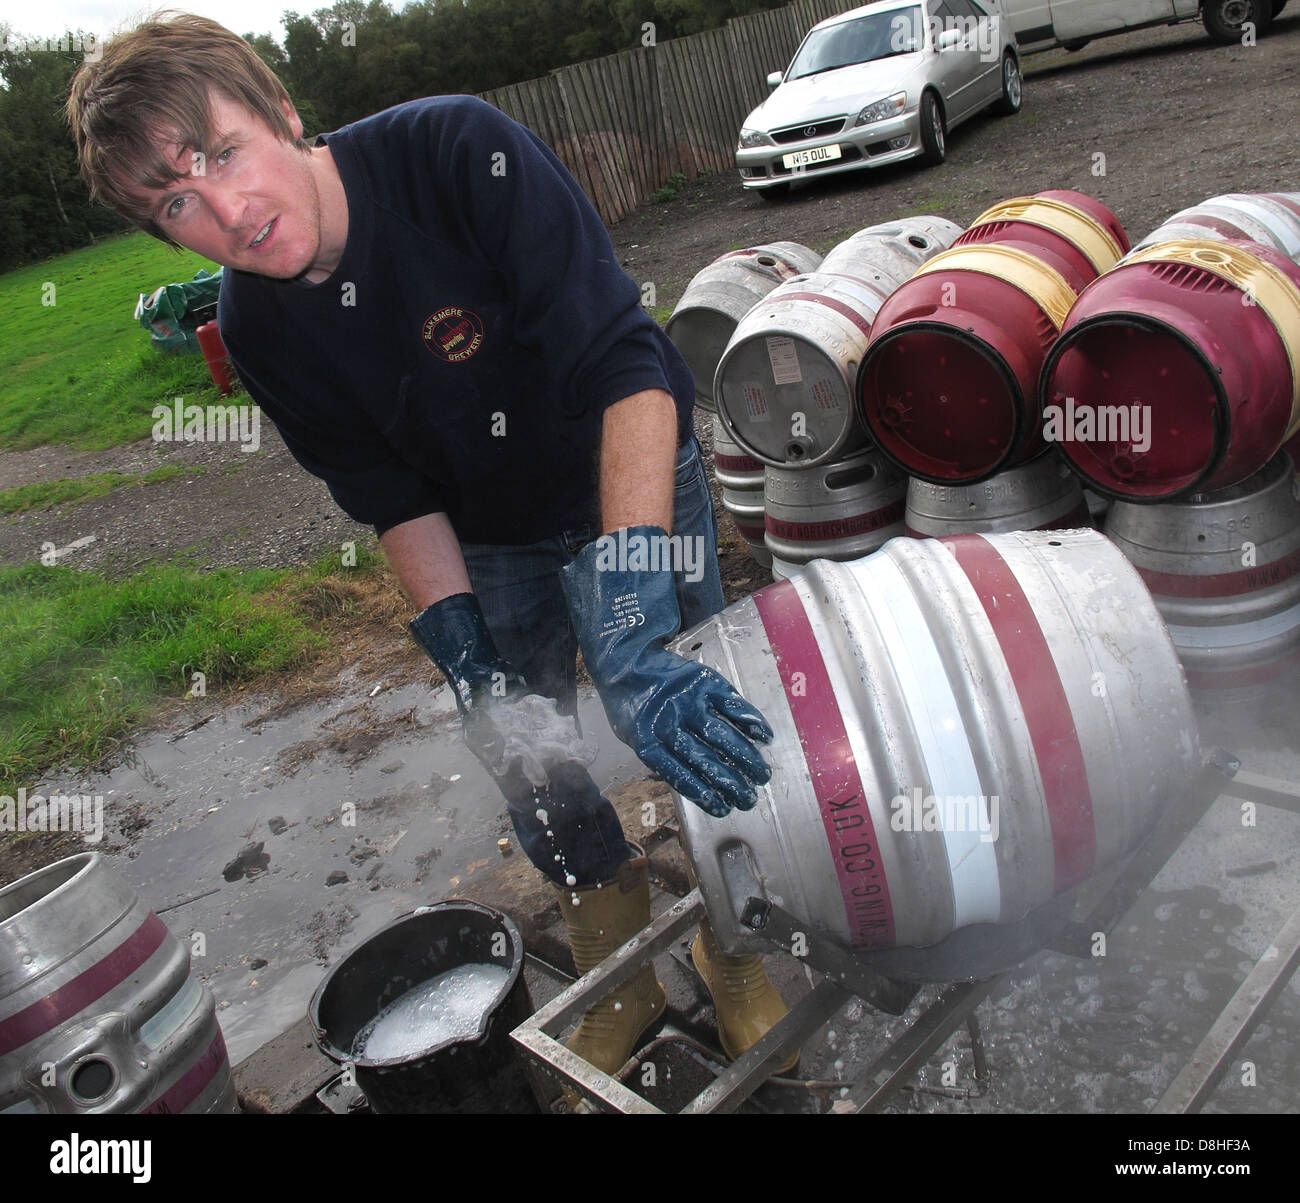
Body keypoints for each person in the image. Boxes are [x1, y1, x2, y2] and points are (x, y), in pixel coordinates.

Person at [66, 12, 797, 1093]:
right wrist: (465, 656)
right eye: (175, 201)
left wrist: (633, 612)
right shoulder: (258, 329)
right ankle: (617, 954)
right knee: (526, 753)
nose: (224, 210)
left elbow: (627, 365)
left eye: (221, 153)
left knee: (688, 712)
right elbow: (390, 497)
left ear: (283, 114)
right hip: (484, 538)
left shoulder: (458, 152)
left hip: (623, 477)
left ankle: (732, 946)